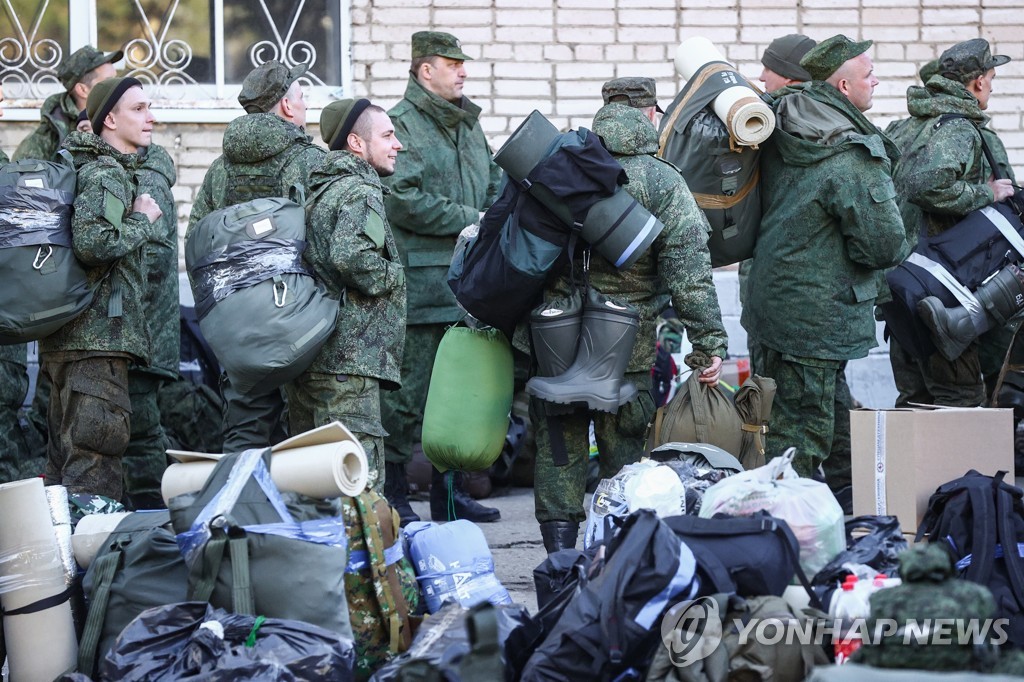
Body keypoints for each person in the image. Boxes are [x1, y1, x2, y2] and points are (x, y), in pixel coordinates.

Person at [534, 77, 728, 553]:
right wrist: (708, 345)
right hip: (627, 346)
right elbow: (689, 273)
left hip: (552, 337)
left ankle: (558, 566)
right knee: (624, 458)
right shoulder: (661, 179)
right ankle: (617, 561)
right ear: (649, 115)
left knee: (559, 449)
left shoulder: (557, 165)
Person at [742, 35, 909, 485]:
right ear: (843, 89)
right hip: (814, 323)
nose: (877, 81)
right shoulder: (851, 156)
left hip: (772, 306)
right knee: (797, 441)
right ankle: (782, 537)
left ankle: (853, 515)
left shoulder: (784, 122)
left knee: (834, 425)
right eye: (868, 75)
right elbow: (883, 246)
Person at [380, 31, 502, 524]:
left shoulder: (468, 124)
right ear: (425, 70)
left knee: (457, 396)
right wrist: (471, 216)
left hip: (470, 285)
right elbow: (401, 198)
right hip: (424, 286)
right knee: (409, 396)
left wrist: (494, 212)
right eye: (453, 64)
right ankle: (392, 493)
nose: (463, 71)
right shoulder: (400, 124)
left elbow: (493, 178)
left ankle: (448, 498)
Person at [186, 60, 325, 453]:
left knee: (244, 430)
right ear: (285, 106)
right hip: (298, 318)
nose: (304, 103)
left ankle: (237, 512)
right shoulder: (308, 162)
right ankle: (300, 511)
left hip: (238, 326)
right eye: (301, 95)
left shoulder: (220, 170)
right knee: (302, 435)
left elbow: (197, 242)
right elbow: (327, 241)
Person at [40, 76, 162, 500]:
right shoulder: (107, 173)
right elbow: (96, 243)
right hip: (97, 344)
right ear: (109, 118)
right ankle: (94, 566)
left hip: (70, 340)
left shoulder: (81, 167)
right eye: (139, 109)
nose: (151, 118)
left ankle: (61, 563)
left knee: (64, 466)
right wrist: (143, 219)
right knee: (94, 466)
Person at [887, 40, 1016, 408]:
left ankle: (911, 468)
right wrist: (986, 194)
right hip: (941, 292)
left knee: (915, 398)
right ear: (977, 82)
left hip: (901, 284)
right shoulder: (959, 128)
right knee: (958, 398)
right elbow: (928, 185)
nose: (991, 86)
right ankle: (960, 468)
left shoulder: (906, 127)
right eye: (991, 78)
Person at [286, 99, 406, 494]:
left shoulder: (320, 190)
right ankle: (365, 559)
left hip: (315, 358)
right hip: (348, 365)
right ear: (356, 143)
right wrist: (394, 276)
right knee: (359, 487)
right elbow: (352, 255)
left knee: (316, 488)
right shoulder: (359, 190)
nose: (398, 144)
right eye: (387, 135)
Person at [122, 142, 179, 509]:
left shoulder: (148, 183)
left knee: (140, 438)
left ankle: (151, 525)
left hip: (141, 340)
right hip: (132, 338)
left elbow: (151, 265)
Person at [14, 45, 121, 162]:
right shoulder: (46, 140)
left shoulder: (131, 119)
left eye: (117, 79)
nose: (118, 86)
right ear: (82, 90)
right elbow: (20, 176)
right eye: (109, 81)